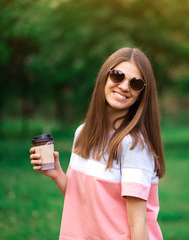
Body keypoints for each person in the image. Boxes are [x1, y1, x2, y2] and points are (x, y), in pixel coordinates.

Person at [30, 47, 166, 240]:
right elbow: (82, 200)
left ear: (142, 94)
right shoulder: (83, 132)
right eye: (118, 76)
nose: (125, 86)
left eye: (135, 83)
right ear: (104, 77)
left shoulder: (133, 145)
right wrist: (56, 174)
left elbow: (138, 223)